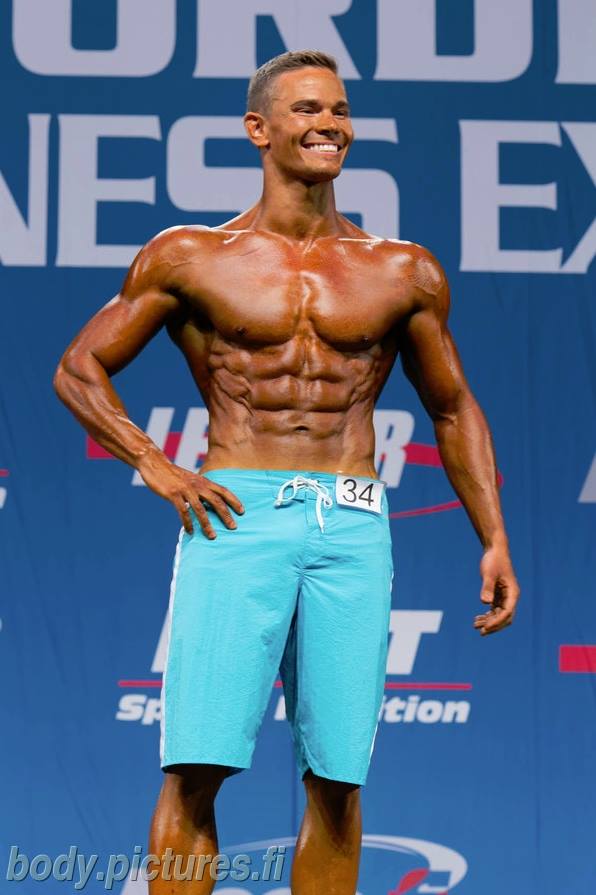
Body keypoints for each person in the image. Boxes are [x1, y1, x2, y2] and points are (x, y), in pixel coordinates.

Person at [54, 49, 520, 895]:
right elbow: (79, 367)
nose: (329, 124)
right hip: (238, 513)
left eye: (339, 110)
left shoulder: (402, 269)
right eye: (307, 109)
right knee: (197, 768)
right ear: (259, 129)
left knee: (338, 778)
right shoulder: (190, 256)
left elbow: (452, 407)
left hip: (352, 519)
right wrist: (157, 464)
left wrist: (492, 536)